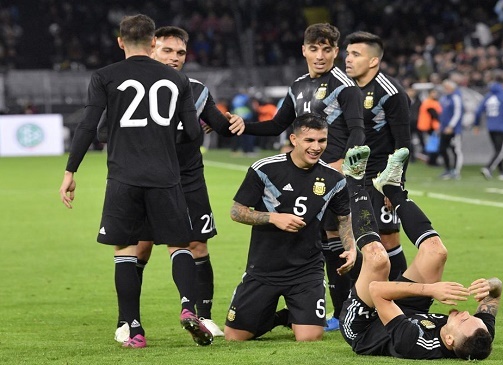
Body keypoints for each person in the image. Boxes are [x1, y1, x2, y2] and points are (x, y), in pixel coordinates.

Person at [58, 14, 212, 348]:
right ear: (154, 42)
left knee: (125, 250)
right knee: (179, 245)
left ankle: (135, 330)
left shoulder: (105, 76)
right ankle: (188, 307)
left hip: (124, 177)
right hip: (166, 177)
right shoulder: (177, 81)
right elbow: (194, 134)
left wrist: (71, 171)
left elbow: (88, 127)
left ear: (119, 41)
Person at [110, 26, 246, 343]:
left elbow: (218, 123)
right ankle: (127, 322)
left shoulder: (195, 89)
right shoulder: (131, 87)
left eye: (180, 52)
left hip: (188, 180)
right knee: (140, 248)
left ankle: (204, 317)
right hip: (146, 180)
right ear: (151, 49)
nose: (174, 58)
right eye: (167, 51)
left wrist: (232, 123)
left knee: (198, 245)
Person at [239, 23, 377, 332]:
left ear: (335, 52)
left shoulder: (345, 85)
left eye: (326, 49)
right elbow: (277, 125)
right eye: (314, 49)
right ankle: (320, 312)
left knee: (343, 243)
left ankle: (348, 313)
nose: (320, 55)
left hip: (336, 177)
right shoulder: (298, 85)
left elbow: (357, 128)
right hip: (307, 177)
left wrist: (344, 163)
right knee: (320, 242)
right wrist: (239, 126)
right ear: (304, 50)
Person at [340, 147, 501, 360]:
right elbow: (494, 296)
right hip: (408, 311)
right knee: (436, 252)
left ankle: (354, 180)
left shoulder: (412, 342)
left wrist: (430, 289)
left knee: (378, 259)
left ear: (450, 341)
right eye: (471, 316)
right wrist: (491, 285)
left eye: (463, 320)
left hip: (366, 323)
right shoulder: (478, 335)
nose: (465, 313)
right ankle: (392, 187)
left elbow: (377, 290)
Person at [224, 113, 357, 341]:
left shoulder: (334, 178)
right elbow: (237, 212)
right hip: (264, 267)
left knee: (310, 337)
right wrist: (274, 218)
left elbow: (343, 218)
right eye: (309, 140)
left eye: (322, 140)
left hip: (307, 269)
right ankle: (277, 317)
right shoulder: (264, 169)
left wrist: (351, 247)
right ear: (294, 139)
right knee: (234, 337)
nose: (316, 147)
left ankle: (296, 317)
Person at [344, 30, 412, 284]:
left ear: (373, 61)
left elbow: (403, 142)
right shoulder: (346, 89)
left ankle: (399, 301)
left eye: (355, 54)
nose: (348, 59)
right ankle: (358, 303)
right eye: (348, 53)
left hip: (379, 178)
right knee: (353, 239)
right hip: (351, 176)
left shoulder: (391, 92)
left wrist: (394, 186)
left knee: (387, 238)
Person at [473, 76, 503, 180]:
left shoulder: (488, 96)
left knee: (497, 150)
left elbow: (478, 111)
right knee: (501, 151)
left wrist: (476, 124)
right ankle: (488, 168)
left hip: (491, 126)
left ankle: (502, 172)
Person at [438, 79, 464, 179]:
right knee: (442, 149)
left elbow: (458, 113)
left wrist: (451, 126)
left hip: (454, 130)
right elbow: (442, 114)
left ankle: (456, 171)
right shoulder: (444, 98)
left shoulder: (456, 97)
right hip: (444, 129)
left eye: (447, 87)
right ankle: (448, 169)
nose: (445, 89)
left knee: (456, 150)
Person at [417, 88, 442, 166]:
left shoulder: (430, 102)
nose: (435, 94)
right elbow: (434, 115)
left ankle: (428, 157)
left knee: (432, 144)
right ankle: (431, 160)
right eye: (433, 93)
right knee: (433, 144)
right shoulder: (429, 103)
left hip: (430, 126)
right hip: (431, 127)